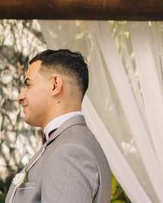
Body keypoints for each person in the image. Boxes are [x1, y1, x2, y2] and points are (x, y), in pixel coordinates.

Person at [6, 49, 111, 203]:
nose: (20, 96)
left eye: (28, 85)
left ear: (55, 84)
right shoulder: (65, 142)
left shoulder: (70, 152)